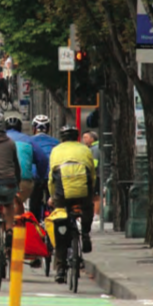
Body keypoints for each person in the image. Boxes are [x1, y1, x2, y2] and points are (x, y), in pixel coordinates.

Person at [48, 125, 96, 284]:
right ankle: (86, 233)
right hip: (83, 190)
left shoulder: (56, 150)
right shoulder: (85, 150)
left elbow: (51, 179)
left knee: (60, 224)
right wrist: (92, 191)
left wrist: (52, 197)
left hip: (63, 192)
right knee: (87, 207)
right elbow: (92, 174)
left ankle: (60, 268)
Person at [4, 116, 49, 212]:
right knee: (19, 204)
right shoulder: (28, 140)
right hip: (23, 183)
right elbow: (43, 160)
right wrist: (40, 177)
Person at [30, 115, 59, 219]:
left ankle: (34, 221)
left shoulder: (28, 141)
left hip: (35, 176)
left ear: (33, 129)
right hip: (52, 176)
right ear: (49, 128)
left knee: (34, 201)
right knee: (53, 201)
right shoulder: (56, 142)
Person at [82, 131, 101, 218]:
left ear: (92, 139)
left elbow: (94, 164)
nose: (83, 140)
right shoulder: (92, 148)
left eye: (86, 137)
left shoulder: (95, 149)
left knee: (95, 196)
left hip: (97, 175)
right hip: (95, 175)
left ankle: (96, 214)